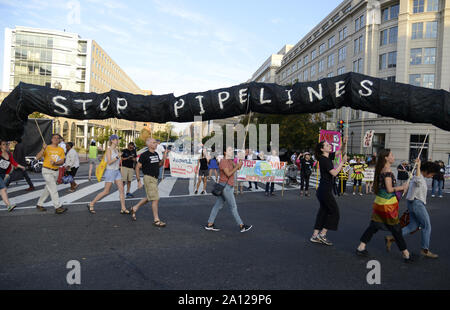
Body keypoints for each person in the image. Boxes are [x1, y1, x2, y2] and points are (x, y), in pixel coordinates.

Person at [355, 149, 414, 263]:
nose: (393, 156)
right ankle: (406, 254)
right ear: (386, 158)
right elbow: (390, 189)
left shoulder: (381, 169)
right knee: (396, 229)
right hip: (388, 206)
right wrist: (402, 188)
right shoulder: (387, 171)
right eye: (391, 155)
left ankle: (361, 247)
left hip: (379, 203)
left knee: (374, 226)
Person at [385, 159, 441, 258]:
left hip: (412, 203)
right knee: (427, 226)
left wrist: (419, 166)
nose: (432, 176)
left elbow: (418, 179)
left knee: (412, 226)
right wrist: (419, 166)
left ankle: (392, 238)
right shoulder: (418, 176)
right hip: (417, 203)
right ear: (427, 171)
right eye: (432, 174)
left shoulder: (417, 175)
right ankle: (425, 249)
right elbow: (418, 180)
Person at [205, 146, 252, 233]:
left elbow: (238, 168)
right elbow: (229, 174)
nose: (231, 152)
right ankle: (241, 226)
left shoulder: (230, 161)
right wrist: (237, 166)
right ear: (225, 152)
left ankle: (209, 224)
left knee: (217, 206)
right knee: (233, 207)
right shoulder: (223, 161)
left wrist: (240, 162)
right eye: (229, 150)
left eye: (232, 150)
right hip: (225, 187)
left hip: (228, 186)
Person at [310, 138, 347, 246]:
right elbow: (334, 173)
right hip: (325, 191)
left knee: (323, 212)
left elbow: (340, 151)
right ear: (322, 149)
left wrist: (344, 143)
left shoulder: (326, 157)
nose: (329, 145)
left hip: (323, 190)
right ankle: (322, 234)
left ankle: (315, 235)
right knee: (334, 212)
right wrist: (342, 162)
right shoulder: (324, 160)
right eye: (327, 145)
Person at [87, 135, 129, 214]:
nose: (118, 141)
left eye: (118, 139)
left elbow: (119, 163)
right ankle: (91, 203)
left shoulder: (117, 150)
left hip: (117, 172)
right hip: (110, 172)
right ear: (112, 140)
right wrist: (117, 157)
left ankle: (123, 208)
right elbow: (109, 162)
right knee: (106, 191)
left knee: (122, 189)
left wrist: (121, 168)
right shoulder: (109, 150)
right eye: (116, 139)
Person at [130, 138, 167, 226]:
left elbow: (159, 165)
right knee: (155, 199)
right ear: (149, 144)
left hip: (155, 179)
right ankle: (156, 220)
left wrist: (163, 158)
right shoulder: (144, 155)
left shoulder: (156, 154)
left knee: (150, 197)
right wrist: (139, 181)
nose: (156, 144)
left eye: (156, 143)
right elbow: (137, 167)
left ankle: (135, 208)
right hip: (148, 178)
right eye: (154, 143)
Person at [35, 134, 67, 214]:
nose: (56, 139)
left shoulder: (61, 149)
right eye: (54, 138)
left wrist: (55, 163)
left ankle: (39, 204)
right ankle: (57, 207)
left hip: (56, 171)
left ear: (59, 140)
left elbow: (62, 161)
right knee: (53, 188)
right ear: (51, 139)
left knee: (48, 189)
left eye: (58, 138)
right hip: (46, 171)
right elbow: (37, 157)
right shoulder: (47, 147)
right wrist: (43, 149)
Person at [0, 140, 26, 212]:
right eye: (3, 144)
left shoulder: (9, 154)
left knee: (2, 190)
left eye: (6, 144)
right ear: (0, 146)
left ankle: (8, 206)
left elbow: (13, 162)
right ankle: (9, 206)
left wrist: (21, 167)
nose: (6, 145)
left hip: (3, 174)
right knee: (3, 189)